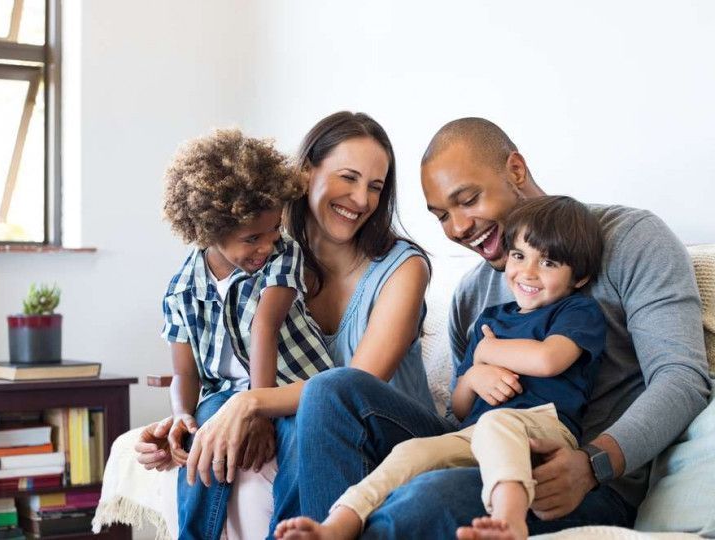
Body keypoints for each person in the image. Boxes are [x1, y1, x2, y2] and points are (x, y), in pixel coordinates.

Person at [286, 117, 711, 538]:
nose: (458, 228)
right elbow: (461, 415)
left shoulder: (632, 239)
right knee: (332, 391)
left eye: (468, 199)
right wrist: (475, 376)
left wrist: (594, 464)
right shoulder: (472, 295)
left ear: (516, 170)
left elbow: (682, 378)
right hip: (484, 450)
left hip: (577, 478)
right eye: (441, 216)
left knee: (423, 500)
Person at [134, 112, 443, 539]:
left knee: (320, 404)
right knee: (219, 431)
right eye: (348, 178)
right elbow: (223, 360)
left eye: (375, 186)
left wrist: (251, 403)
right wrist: (185, 421)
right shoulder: (268, 257)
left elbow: (355, 387)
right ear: (305, 173)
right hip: (313, 421)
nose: (361, 199)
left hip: (390, 433)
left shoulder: (402, 269)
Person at [275, 195, 606, 540]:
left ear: (579, 277)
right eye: (519, 256)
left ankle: (510, 520)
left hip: (544, 430)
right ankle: (338, 524)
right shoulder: (491, 319)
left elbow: (548, 359)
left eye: (549, 263)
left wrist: (488, 351)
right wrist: (475, 372)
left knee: (498, 422)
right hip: (474, 434)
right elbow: (460, 407)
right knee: (411, 452)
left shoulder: (576, 312)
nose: (528, 272)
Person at [158, 128, 335, 539]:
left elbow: (264, 327)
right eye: (252, 238)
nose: (266, 244)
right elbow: (185, 373)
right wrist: (183, 414)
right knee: (204, 435)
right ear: (207, 230)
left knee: (298, 439)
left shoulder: (282, 254)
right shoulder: (181, 289)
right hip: (224, 394)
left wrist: (258, 409)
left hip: (296, 386)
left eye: (273, 229)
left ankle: (291, 532)